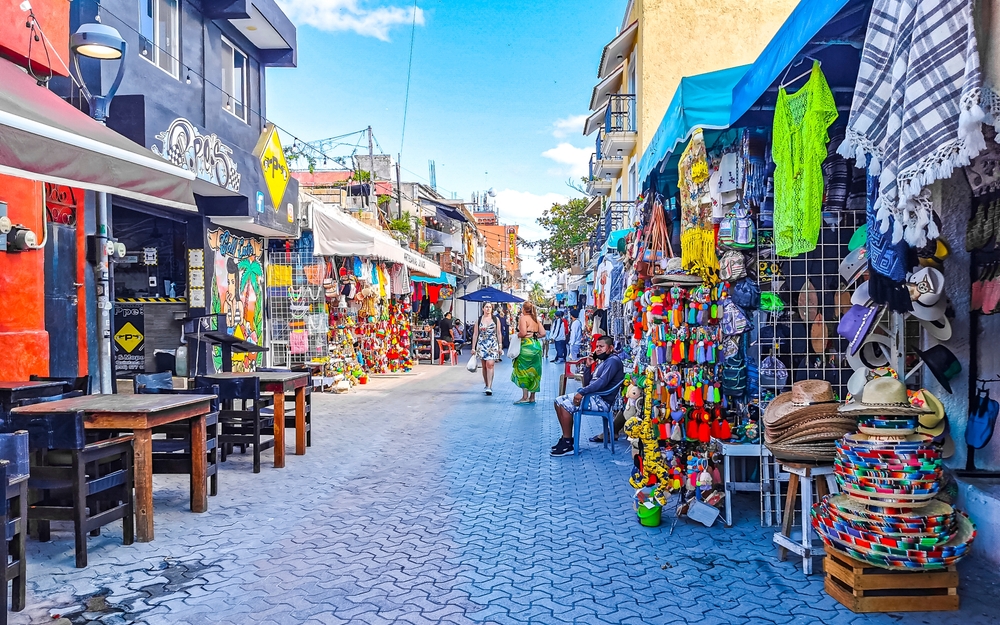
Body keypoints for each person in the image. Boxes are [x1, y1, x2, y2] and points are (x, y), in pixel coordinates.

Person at [550, 335, 624, 456]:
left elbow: (602, 382)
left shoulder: (613, 361)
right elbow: (589, 382)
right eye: (597, 346)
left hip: (602, 401)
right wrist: (588, 367)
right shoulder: (604, 362)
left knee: (564, 405)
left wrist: (582, 392)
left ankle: (568, 443)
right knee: (558, 401)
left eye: (601, 346)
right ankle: (565, 439)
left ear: (610, 348)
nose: (598, 349)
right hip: (594, 397)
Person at [512, 301, 546, 404]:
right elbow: (543, 333)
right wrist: (534, 336)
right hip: (536, 346)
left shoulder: (523, 318)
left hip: (526, 346)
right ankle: (532, 397)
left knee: (523, 370)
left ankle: (525, 396)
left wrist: (516, 336)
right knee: (534, 371)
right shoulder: (536, 319)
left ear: (523, 309)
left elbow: (523, 333)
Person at [471, 303, 501, 395]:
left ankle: (489, 386)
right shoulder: (479, 320)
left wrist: (500, 345)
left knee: (490, 364)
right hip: (482, 344)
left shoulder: (496, 319)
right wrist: (473, 347)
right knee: (484, 366)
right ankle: (486, 383)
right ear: (483, 308)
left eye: (490, 307)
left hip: (492, 343)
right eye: (486, 307)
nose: (488, 309)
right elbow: (475, 334)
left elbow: (499, 333)